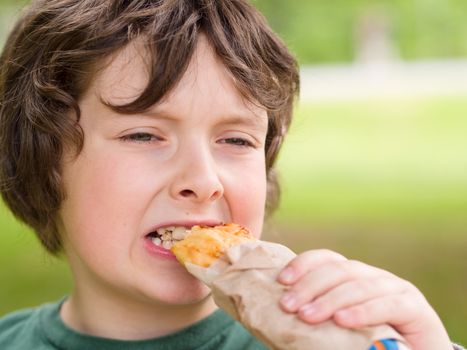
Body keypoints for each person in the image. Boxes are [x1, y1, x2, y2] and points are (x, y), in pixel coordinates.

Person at [0, 1, 461, 349]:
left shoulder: (346, 340)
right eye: (143, 135)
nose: (204, 179)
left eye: (236, 140)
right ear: (41, 162)